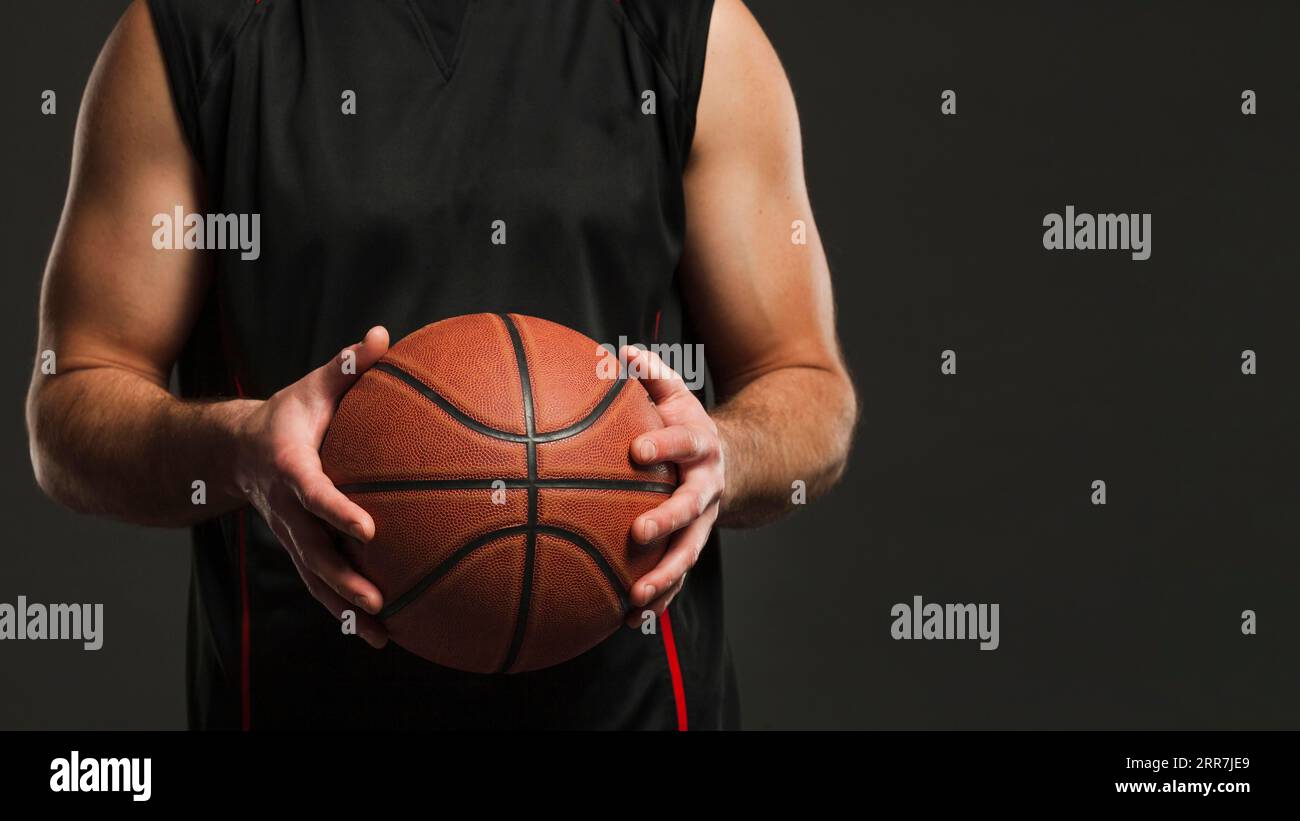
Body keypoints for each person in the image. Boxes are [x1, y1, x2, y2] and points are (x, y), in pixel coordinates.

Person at [27, 0, 856, 730]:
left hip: (628, 706)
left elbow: (807, 383)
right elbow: (71, 403)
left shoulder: (688, 28)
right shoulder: (192, 32)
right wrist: (240, 449)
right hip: (297, 699)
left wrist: (725, 456)